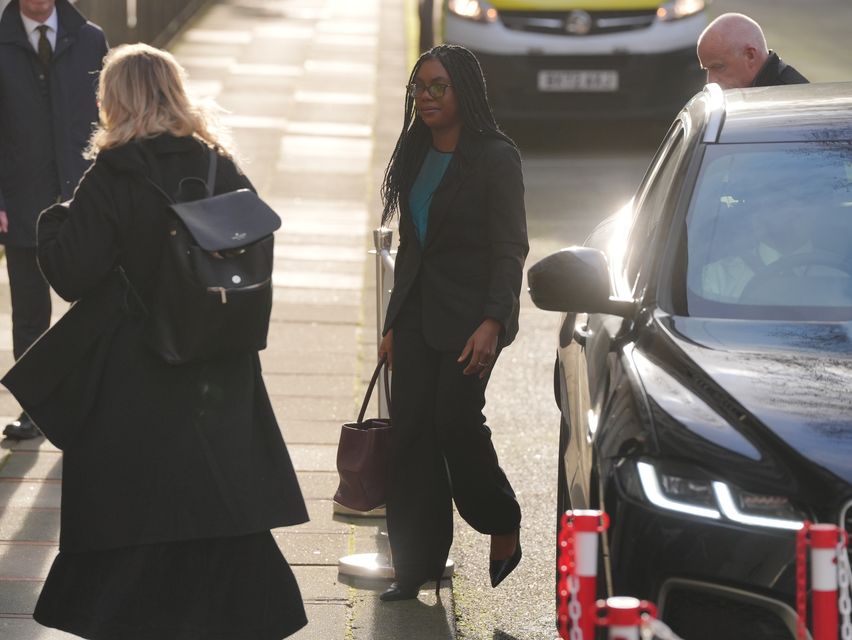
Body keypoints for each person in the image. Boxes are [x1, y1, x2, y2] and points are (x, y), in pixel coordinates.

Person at [29, 44, 309, 639]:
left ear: (116, 100)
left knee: (134, 506)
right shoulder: (217, 164)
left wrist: (54, 222)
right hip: (217, 361)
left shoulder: (113, 174)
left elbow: (73, 275)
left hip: (137, 366)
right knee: (216, 500)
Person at [377, 44, 528, 601]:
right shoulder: (415, 151)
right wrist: (393, 323)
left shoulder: (495, 157)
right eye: (419, 87)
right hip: (416, 316)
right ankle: (414, 566)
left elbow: (510, 247)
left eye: (438, 86)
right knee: (411, 436)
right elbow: (413, 250)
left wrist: (493, 320)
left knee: (455, 424)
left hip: (469, 321)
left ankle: (500, 515)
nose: (426, 97)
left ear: (464, 90)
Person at [0, 0, 108, 440]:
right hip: (23, 202)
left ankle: (92, 403)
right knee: (29, 314)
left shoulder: (90, 38)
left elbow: (110, 114)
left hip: (87, 199)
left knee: (95, 307)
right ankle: (36, 411)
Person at [696, 12, 808, 90]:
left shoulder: (788, 100)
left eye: (719, 67)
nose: (710, 81)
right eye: (707, 70)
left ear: (750, 56)